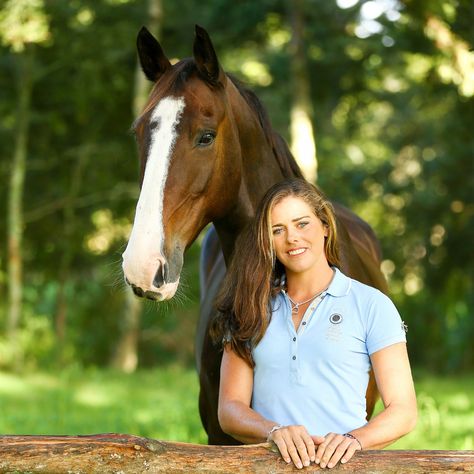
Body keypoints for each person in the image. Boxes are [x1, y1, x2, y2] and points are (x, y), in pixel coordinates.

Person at [212, 178, 417, 470]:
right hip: (267, 468)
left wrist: (354, 440)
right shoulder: (249, 308)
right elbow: (230, 409)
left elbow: (404, 410)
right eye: (277, 230)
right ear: (267, 240)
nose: (292, 238)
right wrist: (274, 431)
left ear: (325, 226)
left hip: (346, 468)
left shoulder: (372, 304)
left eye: (302, 224)